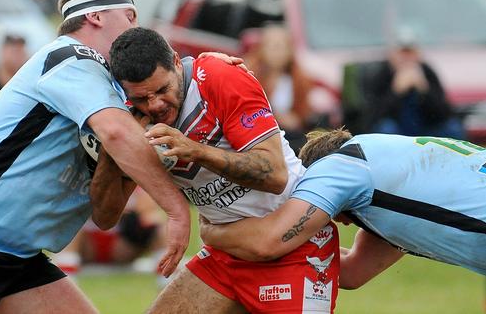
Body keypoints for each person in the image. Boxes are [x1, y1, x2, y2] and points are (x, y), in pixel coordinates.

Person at [0, 0, 192, 314]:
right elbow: (116, 133)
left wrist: (209, 70)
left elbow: (105, 215)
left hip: (18, 259)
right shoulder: (72, 58)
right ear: (95, 16)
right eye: (130, 15)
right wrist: (176, 209)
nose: (136, 27)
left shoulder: (114, 94)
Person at [107, 27, 340, 313]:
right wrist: (114, 155)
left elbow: (275, 175)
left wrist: (198, 151)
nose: (154, 104)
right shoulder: (125, 116)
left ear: (177, 63)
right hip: (225, 254)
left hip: (293, 245)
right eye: (142, 98)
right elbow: (105, 215)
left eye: (163, 90)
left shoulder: (218, 77)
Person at [200, 129, 486, 290]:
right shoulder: (390, 170)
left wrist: (212, 232)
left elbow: (270, 242)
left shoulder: (341, 165)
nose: (342, 223)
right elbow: (350, 273)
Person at [349, 29, 465, 138]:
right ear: (392, 54)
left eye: (410, 52)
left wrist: (424, 90)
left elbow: (445, 114)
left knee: (452, 128)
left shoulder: (427, 73)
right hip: (397, 132)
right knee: (386, 129)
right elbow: (371, 119)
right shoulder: (380, 75)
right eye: (402, 53)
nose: (406, 58)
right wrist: (396, 92)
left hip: (425, 131)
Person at [54, 187, 166, 279]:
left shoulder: (138, 183)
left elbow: (150, 216)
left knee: (159, 226)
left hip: (122, 246)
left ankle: (166, 282)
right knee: (69, 224)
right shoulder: (85, 180)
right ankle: (67, 281)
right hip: (88, 243)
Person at [242, 24, 314, 151]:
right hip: (256, 137)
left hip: (289, 138)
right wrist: (278, 117)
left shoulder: (298, 78)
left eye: (282, 47)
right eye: (273, 47)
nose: (277, 53)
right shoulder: (249, 74)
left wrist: (296, 119)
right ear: (262, 49)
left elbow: (303, 114)